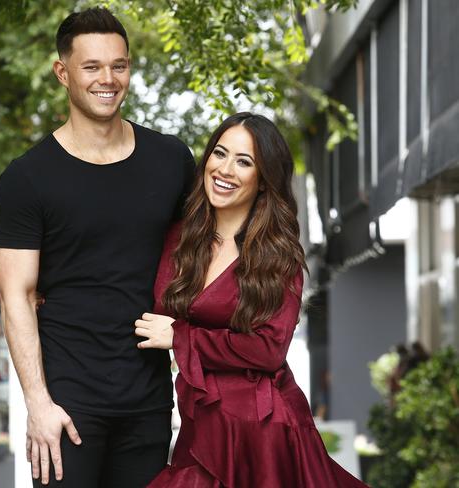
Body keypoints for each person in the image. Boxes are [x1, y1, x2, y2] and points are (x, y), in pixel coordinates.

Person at [0, 7, 194, 487]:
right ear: (63, 72)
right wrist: (38, 404)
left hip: (148, 400)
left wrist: (186, 325)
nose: (108, 79)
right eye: (92, 67)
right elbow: (15, 295)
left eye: (119, 65)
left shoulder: (171, 160)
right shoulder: (26, 178)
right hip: (66, 405)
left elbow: (199, 258)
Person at [135, 112, 369, 487]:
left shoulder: (278, 254)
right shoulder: (180, 238)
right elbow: (151, 304)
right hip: (201, 426)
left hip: (263, 430)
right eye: (220, 153)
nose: (225, 169)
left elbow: (268, 350)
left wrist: (181, 336)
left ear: (263, 181)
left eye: (244, 162)